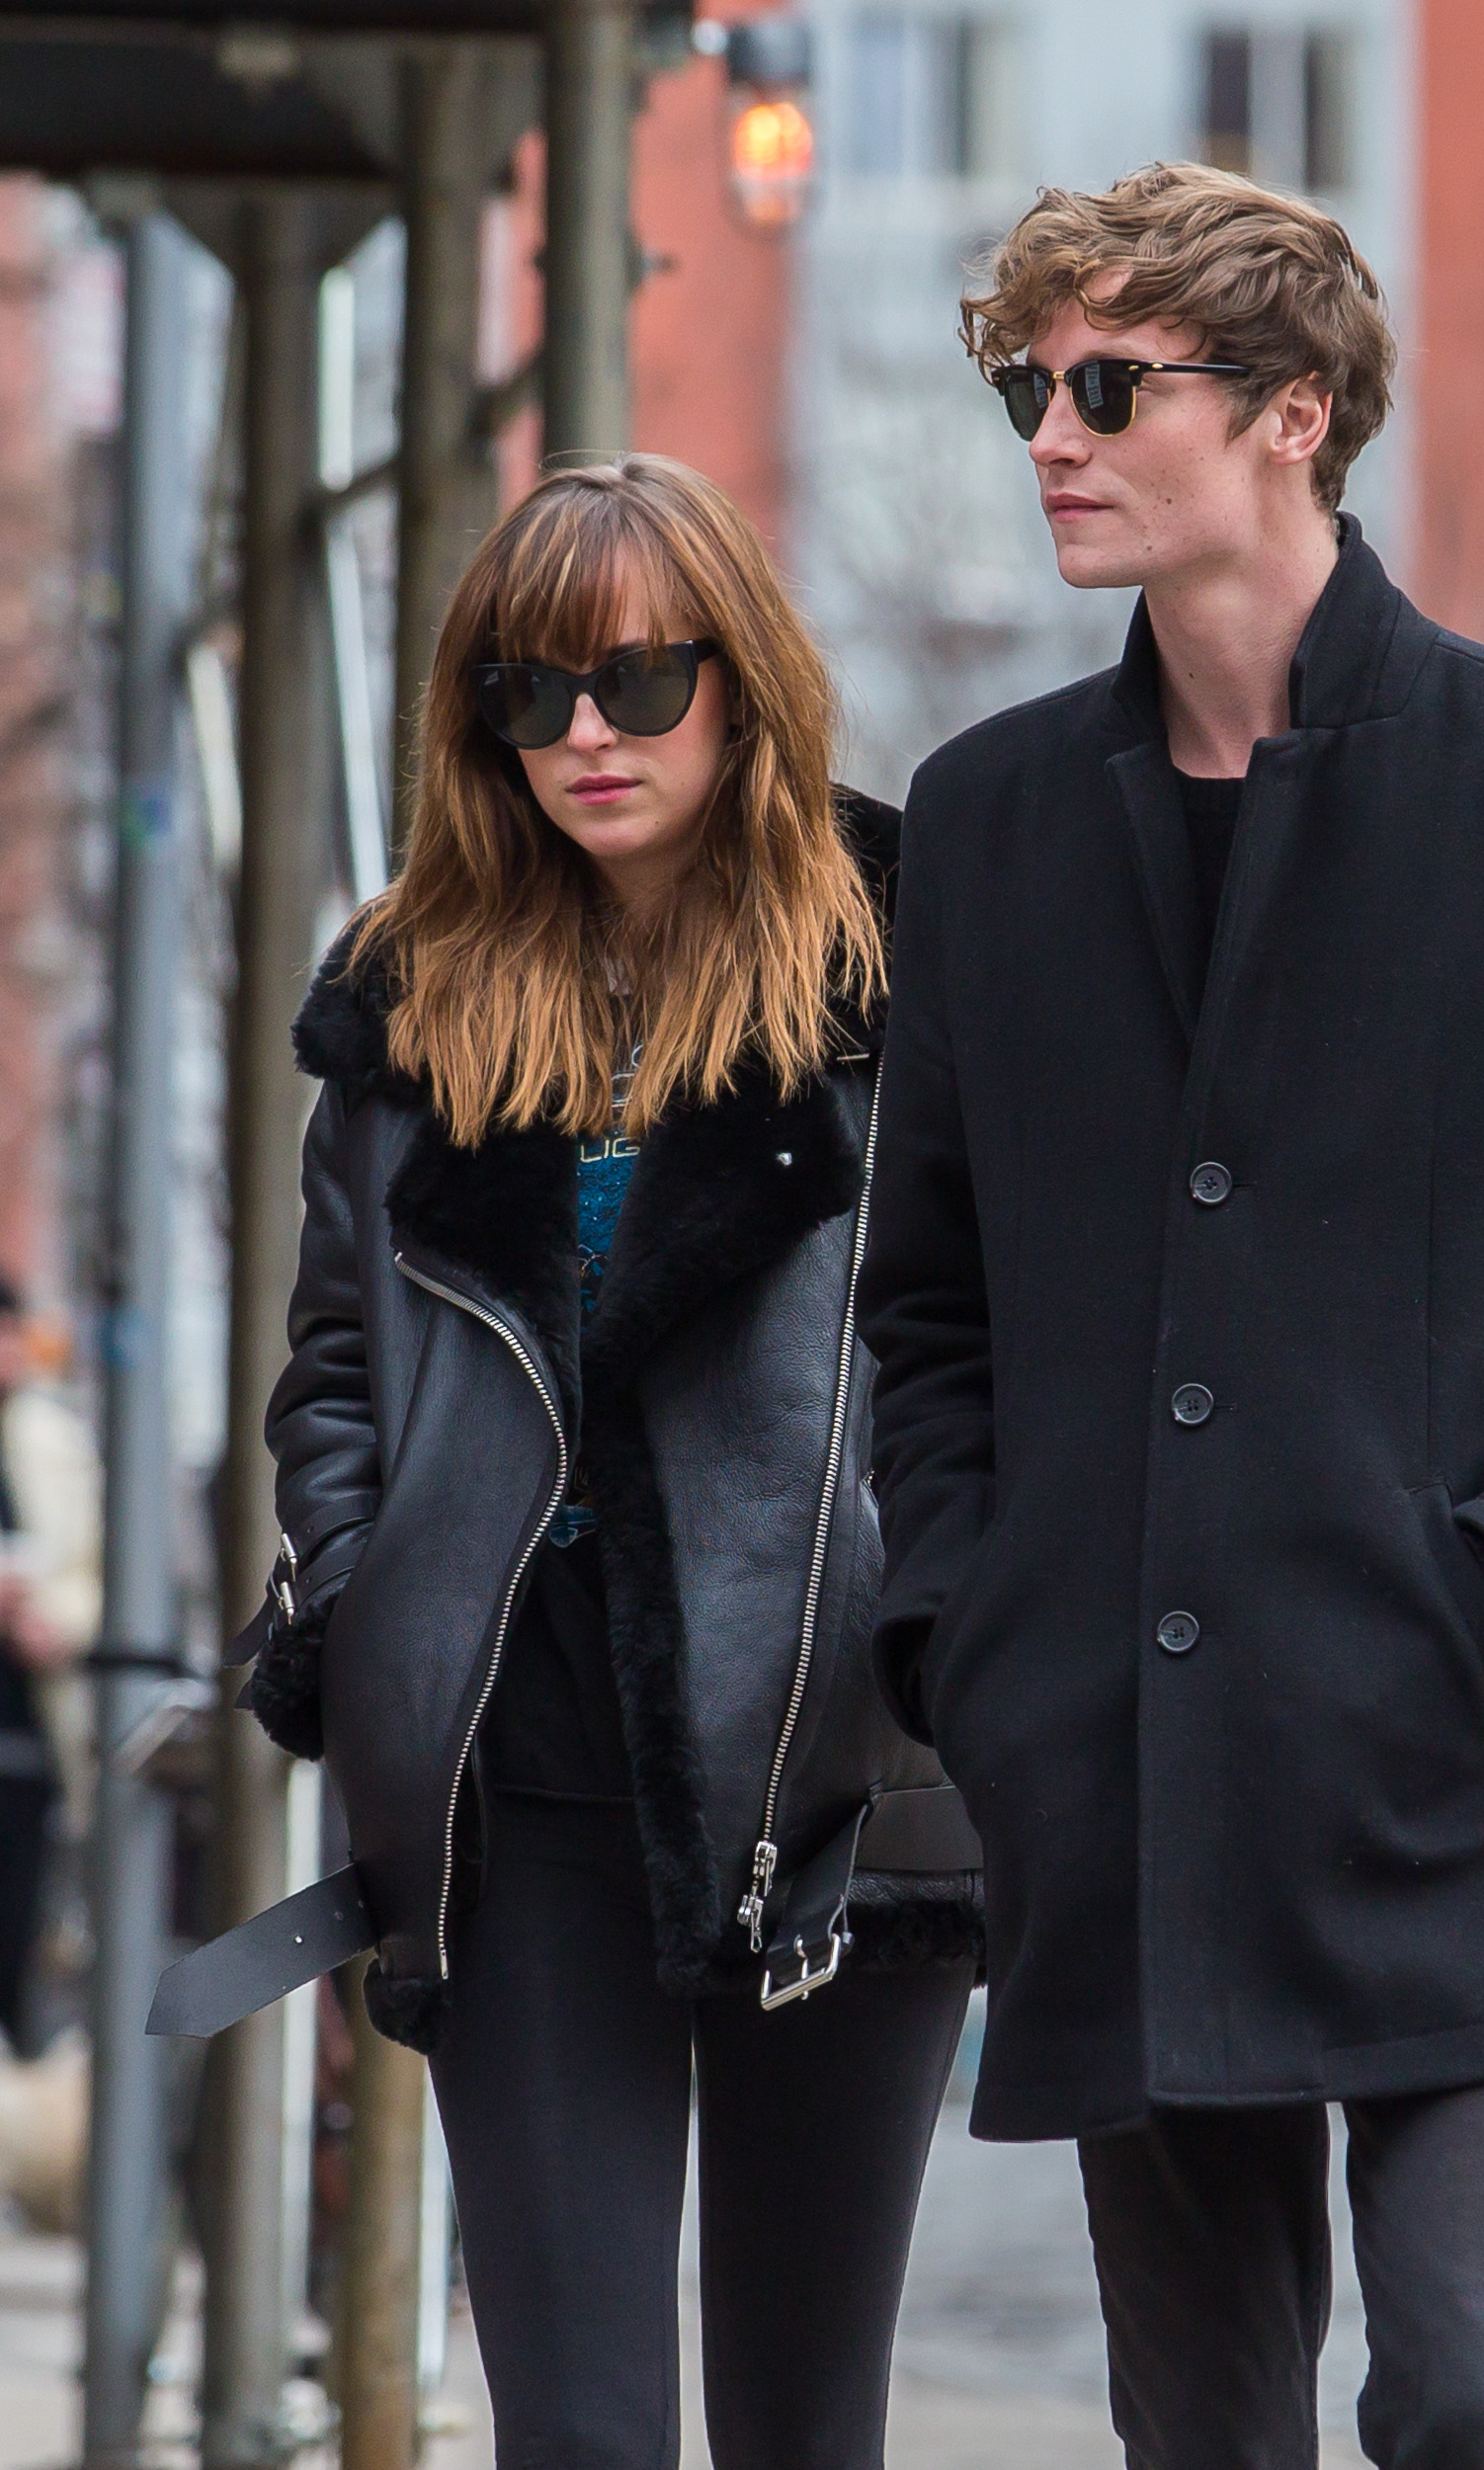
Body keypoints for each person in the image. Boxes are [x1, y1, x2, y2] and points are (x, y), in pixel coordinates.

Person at [858, 164, 1484, 2469]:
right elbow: (931, 1306)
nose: (1048, 436)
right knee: (1204, 2432)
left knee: (1466, 2397)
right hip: (1113, 1779)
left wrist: (1483, 1580)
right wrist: (972, 1629)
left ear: (1290, 411)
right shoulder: (983, 823)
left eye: (1105, 387)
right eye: (1022, 389)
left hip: (1450, 1771)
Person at [236, 457, 981, 2470]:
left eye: (640, 680)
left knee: (803, 2426)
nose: (585, 733)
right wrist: (360, 1604)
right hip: (520, 1772)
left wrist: (940, 1612)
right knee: (573, 2428)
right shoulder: (410, 999)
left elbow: (984, 1345)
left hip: (835, 1762)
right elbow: (336, 1368)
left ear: (742, 684)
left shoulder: (909, 975)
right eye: (528, 688)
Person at [0, 1282, 98, 2054]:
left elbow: (103, 1580)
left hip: (31, 1739)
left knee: (19, 1927)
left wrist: (47, 1619)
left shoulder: (49, 1440)